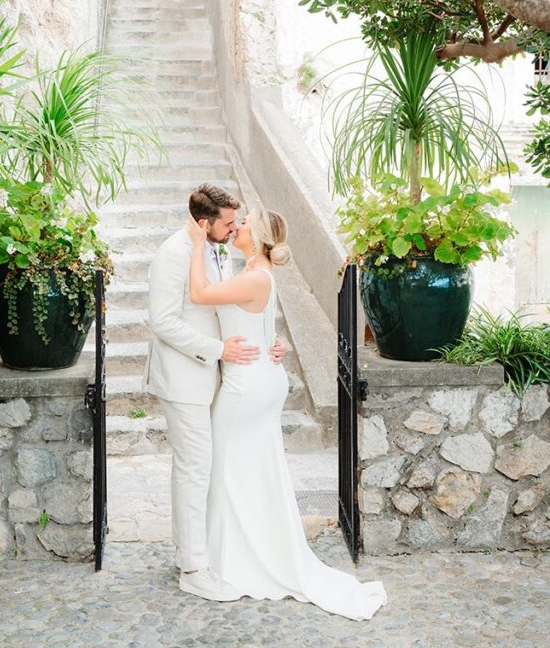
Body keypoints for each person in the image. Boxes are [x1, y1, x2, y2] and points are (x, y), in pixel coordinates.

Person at [187, 205, 387, 621]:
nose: (238, 226)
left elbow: (200, 295)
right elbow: (258, 325)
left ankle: (231, 563)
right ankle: (239, 554)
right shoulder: (256, 274)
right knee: (252, 471)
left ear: (257, 236)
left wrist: (194, 245)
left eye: (244, 224)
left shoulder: (257, 276)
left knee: (225, 468)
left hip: (248, 387)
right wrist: (276, 343)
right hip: (261, 377)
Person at [144, 183, 287, 602]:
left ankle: (190, 550)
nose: (234, 228)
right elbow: (163, 321)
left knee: (200, 469)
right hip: (185, 378)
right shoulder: (175, 253)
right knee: (194, 468)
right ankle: (193, 569)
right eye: (228, 222)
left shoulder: (220, 249)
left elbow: (240, 307)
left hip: (219, 377)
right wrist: (217, 350)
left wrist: (267, 342)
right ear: (204, 223)